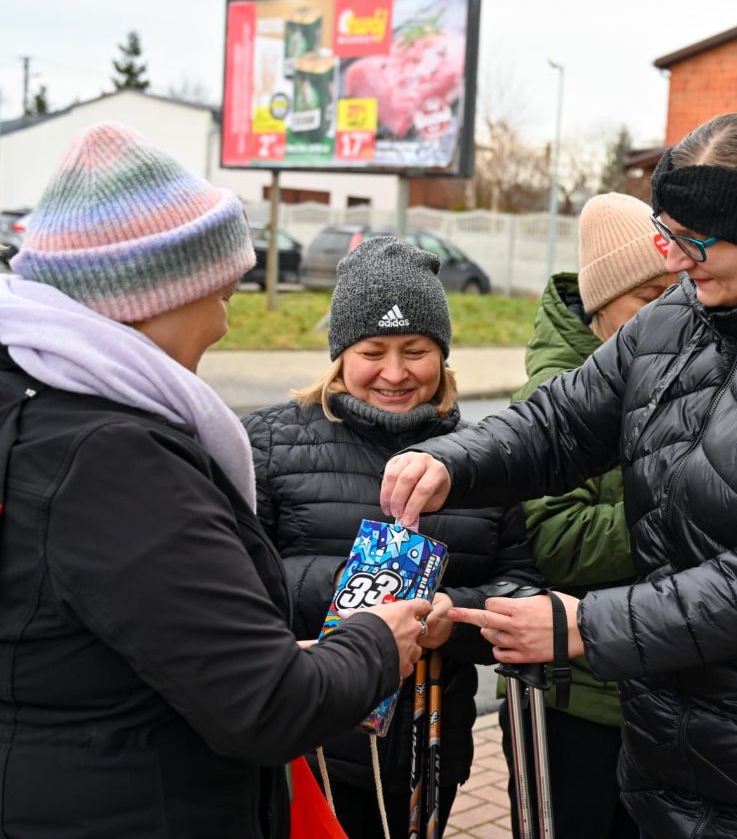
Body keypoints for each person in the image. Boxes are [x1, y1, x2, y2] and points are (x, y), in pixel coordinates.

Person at [382, 112, 737, 838]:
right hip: (675, 746)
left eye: (694, 241)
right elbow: (561, 423)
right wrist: (449, 461)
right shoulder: (679, 315)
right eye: (668, 236)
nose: (676, 261)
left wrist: (590, 624)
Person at [0, 122, 429, 839]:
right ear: (153, 295)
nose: (225, 323)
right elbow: (268, 707)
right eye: (220, 294)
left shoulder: (30, 406)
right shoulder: (113, 461)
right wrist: (374, 642)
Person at [242, 236, 540, 838]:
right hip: (305, 744)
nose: (396, 373)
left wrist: (454, 615)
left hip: (426, 748)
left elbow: (523, 587)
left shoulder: (483, 462)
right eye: (373, 350)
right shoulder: (269, 444)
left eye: (417, 350)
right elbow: (233, 586)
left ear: (444, 355)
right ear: (340, 354)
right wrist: (349, 591)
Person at [499, 192, 675, 838]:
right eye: (649, 296)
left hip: (660, 685)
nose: (672, 312)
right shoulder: (554, 398)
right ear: (601, 304)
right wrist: (694, 507)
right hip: (578, 701)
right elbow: (557, 541)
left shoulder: (673, 375)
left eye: (679, 290)